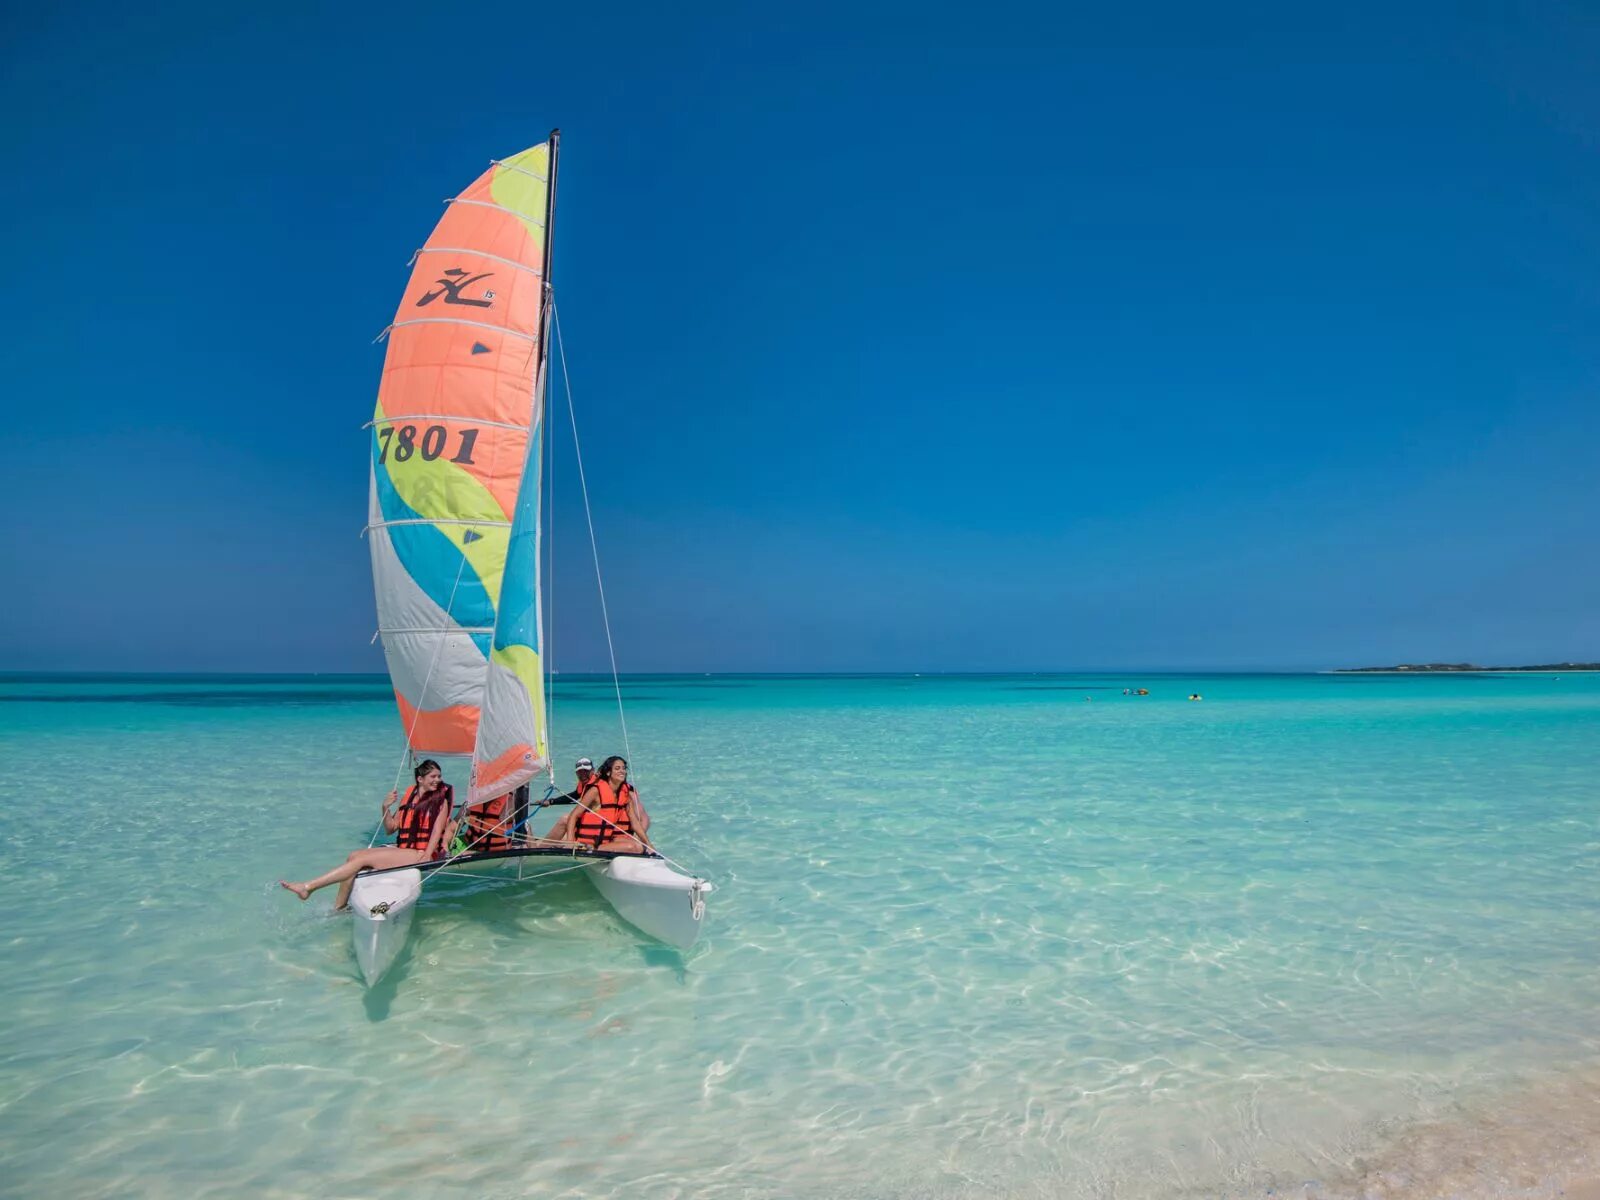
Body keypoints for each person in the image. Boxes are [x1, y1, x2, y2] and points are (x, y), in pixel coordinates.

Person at [279, 760, 455, 910]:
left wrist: (426, 857)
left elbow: (435, 833)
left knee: (362, 860)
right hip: (405, 850)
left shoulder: (441, 802)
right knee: (353, 856)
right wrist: (385, 808)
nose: (438, 780)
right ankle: (338, 909)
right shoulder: (409, 797)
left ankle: (309, 886)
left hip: (422, 854)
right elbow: (390, 828)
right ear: (420, 779)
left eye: (439, 776)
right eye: (433, 777)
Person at [555, 755, 651, 853]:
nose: (622, 771)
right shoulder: (595, 790)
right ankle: (591, 849)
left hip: (608, 839)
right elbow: (574, 815)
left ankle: (595, 849)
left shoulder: (626, 793)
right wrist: (570, 842)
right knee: (635, 847)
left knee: (639, 846)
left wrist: (649, 845)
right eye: (617, 768)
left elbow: (635, 823)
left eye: (623, 768)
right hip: (593, 840)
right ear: (608, 772)